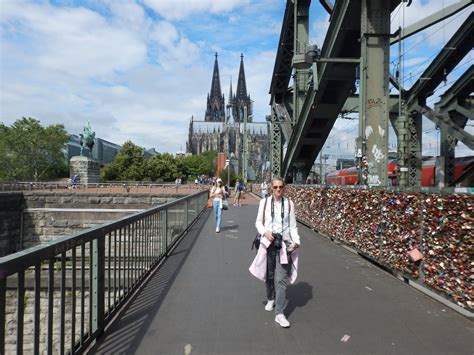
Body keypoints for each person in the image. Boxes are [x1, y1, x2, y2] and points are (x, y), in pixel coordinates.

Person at [250, 177, 300, 328]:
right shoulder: (264, 202)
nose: (278, 190)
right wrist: (265, 232)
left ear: (284, 188)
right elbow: (258, 222)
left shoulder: (289, 204)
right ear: (271, 188)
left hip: (283, 245)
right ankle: (270, 298)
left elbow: (293, 226)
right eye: (276, 187)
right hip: (268, 243)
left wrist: (296, 241)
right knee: (269, 274)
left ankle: (279, 313)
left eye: (281, 187)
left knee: (281, 278)